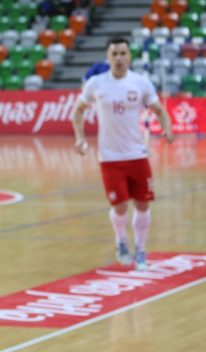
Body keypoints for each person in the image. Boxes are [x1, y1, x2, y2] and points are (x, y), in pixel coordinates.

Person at [72, 37, 174, 271]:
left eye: (123, 53)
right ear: (107, 58)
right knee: (120, 208)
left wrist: (166, 128)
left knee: (143, 205)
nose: (119, 58)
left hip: (137, 154)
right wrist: (79, 137)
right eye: (114, 54)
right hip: (110, 158)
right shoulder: (96, 84)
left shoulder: (141, 83)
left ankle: (140, 250)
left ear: (130, 57)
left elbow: (160, 110)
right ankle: (121, 241)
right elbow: (77, 112)